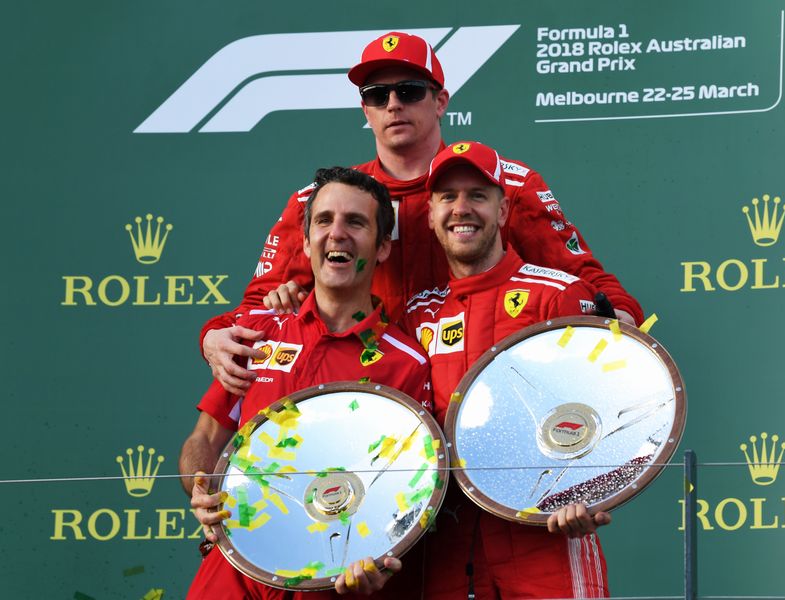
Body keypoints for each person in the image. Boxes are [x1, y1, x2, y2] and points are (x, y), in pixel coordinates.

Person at [199, 31, 644, 396]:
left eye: (409, 91)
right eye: (377, 94)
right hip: (375, 393)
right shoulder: (329, 201)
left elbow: (584, 278)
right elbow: (257, 305)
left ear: (441, 101)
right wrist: (213, 338)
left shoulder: (505, 183)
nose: (393, 104)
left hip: (481, 389)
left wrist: (620, 319)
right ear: (365, 110)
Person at [179, 167, 432, 599]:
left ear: (383, 246)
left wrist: (381, 558)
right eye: (324, 220)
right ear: (305, 240)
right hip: (234, 572)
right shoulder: (257, 333)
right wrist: (203, 485)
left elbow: (414, 493)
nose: (337, 234)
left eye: (356, 222)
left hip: (334, 583)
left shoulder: (407, 363)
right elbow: (205, 437)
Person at [403, 141, 613, 599]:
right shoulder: (417, 315)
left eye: (477, 196)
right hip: (447, 551)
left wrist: (593, 494)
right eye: (448, 198)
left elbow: (608, 412)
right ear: (431, 216)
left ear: (502, 212)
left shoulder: (558, 296)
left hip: (548, 535)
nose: (462, 209)